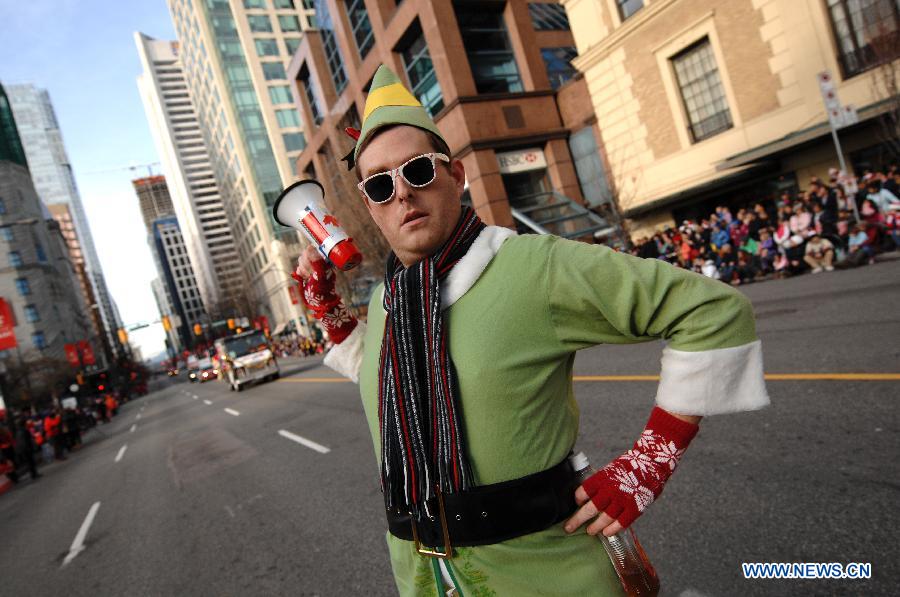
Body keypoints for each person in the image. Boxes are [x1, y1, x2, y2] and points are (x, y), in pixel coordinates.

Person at [292, 65, 770, 595]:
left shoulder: (530, 266)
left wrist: (648, 463)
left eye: (419, 172)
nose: (402, 193)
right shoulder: (389, 301)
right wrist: (327, 309)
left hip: (552, 576)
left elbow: (712, 309)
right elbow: (386, 380)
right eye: (381, 184)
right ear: (369, 206)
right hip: (424, 578)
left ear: (455, 176)